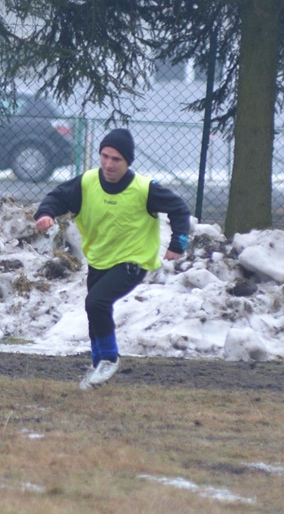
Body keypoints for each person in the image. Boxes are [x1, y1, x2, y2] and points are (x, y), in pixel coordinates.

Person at [33, 126, 191, 388]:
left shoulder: (144, 188)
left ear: (127, 162)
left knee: (97, 302)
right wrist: (45, 214)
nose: (108, 164)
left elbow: (179, 208)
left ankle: (109, 359)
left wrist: (178, 243)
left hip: (133, 260)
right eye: (104, 156)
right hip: (99, 259)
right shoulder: (87, 182)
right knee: (93, 308)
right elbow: (57, 197)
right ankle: (98, 368)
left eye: (116, 159)